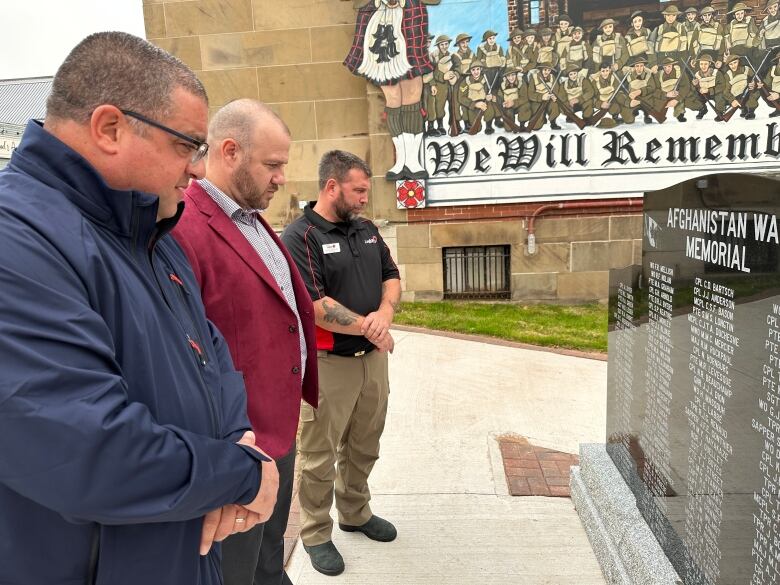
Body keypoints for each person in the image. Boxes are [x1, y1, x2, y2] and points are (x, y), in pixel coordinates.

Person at [0, 32, 278, 585]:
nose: (198, 170)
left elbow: (212, 355)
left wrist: (238, 440)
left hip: (180, 554)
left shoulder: (150, 232)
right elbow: (85, 449)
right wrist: (240, 474)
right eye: (186, 145)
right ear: (110, 128)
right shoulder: (18, 241)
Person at [172, 99, 319, 585]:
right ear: (230, 151)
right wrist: (221, 459)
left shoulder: (251, 219)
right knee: (235, 570)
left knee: (267, 556)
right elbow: (187, 356)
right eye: (273, 165)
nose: (281, 178)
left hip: (278, 431)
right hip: (240, 446)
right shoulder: (186, 229)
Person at [281, 150, 401, 577]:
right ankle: (315, 532)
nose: (366, 199)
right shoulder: (301, 236)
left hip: (373, 361)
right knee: (318, 453)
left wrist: (384, 315)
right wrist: (375, 329)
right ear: (332, 186)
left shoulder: (366, 229)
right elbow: (315, 305)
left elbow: (391, 275)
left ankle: (355, 511)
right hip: (328, 364)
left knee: (366, 442)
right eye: (359, 190)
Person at [344, 0, 440, 180]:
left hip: (408, 17)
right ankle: (401, 160)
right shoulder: (367, 11)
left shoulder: (414, 9)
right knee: (393, 99)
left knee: (412, 97)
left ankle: (412, 160)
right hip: (379, 22)